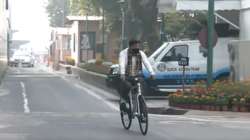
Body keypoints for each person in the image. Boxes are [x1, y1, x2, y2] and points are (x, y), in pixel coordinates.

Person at [118, 39, 155, 112]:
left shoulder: (141, 53)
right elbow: (121, 63)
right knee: (127, 86)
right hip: (127, 75)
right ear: (131, 46)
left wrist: (152, 73)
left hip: (137, 75)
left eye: (138, 46)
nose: (137, 48)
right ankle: (124, 102)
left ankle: (142, 113)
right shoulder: (124, 53)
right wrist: (122, 73)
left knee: (141, 89)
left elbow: (146, 62)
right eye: (135, 46)